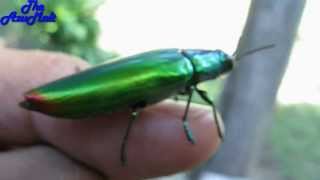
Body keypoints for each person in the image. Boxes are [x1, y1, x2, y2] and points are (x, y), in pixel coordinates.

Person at [0, 48, 221, 179]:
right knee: (135, 114)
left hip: (85, 97)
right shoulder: (181, 70)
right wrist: (184, 122)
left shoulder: (176, 56)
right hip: (86, 99)